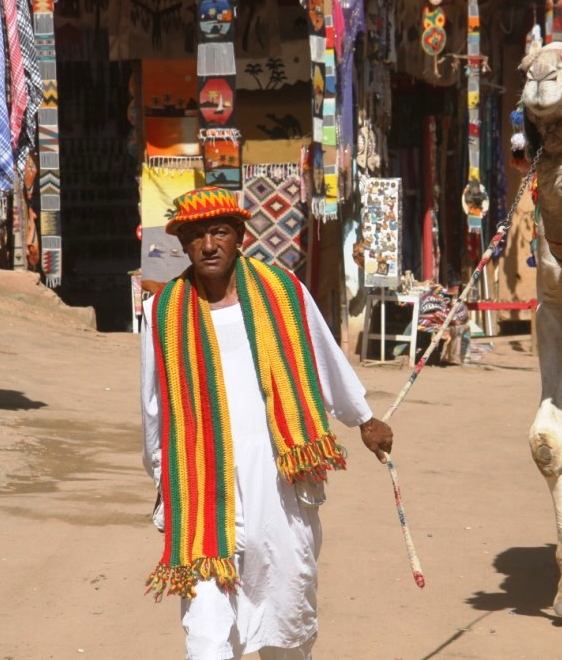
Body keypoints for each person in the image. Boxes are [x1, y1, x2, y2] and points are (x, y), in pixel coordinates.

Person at [140, 185, 394, 660]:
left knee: (287, 621)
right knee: (207, 634)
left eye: (219, 232)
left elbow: (325, 356)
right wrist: (163, 474)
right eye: (196, 236)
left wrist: (362, 418)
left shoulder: (284, 293)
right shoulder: (162, 312)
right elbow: (153, 405)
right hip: (202, 487)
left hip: (279, 483)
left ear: (239, 236)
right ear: (183, 245)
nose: (208, 245)